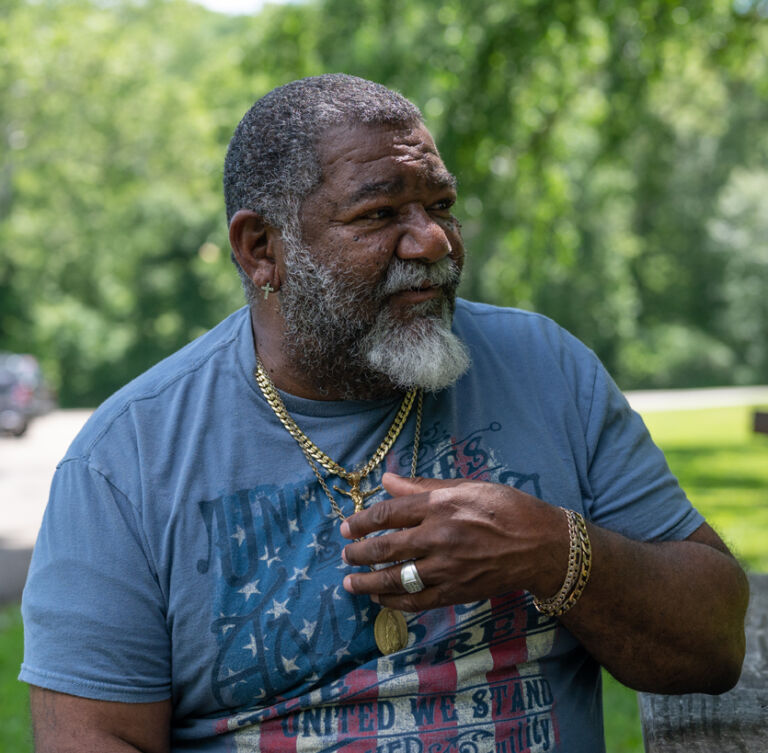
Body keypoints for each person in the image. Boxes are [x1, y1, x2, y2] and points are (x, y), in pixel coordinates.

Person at [20, 74, 748, 753]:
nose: (432, 240)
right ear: (260, 249)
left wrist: (550, 547)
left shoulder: (546, 368)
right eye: (378, 213)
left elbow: (713, 644)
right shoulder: (128, 457)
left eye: (440, 205)